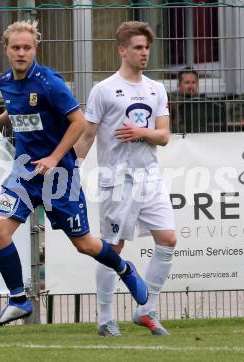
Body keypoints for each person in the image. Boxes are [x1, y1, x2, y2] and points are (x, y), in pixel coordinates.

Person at [0, 20, 148, 327]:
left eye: (27, 47)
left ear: (35, 48)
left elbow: (78, 122)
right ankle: (18, 300)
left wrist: (54, 157)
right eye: (16, 48)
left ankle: (124, 268)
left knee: (85, 245)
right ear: (7, 50)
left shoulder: (50, 82)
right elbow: (16, 108)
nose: (21, 53)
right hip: (25, 175)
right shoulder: (5, 81)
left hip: (59, 177)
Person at [75, 21, 177, 337]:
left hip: (150, 179)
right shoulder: (103, 90)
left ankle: (146, 311)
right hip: (116, 180)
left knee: (168, 239)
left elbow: (163, 136)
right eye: (137, 47)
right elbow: (88, 134)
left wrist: (141, 132)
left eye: (146, 47)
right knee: (112, 248)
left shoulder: (156, 89)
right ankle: (106, 318)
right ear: (122, 50)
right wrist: (70, 169)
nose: (144, 52)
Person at [169, 67, 225, 133]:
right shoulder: (172, 101)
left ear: (197, 84)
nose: (191, 86)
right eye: (187, 82)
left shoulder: (205, 101)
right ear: (179, 85)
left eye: (193, 82)